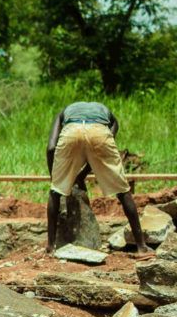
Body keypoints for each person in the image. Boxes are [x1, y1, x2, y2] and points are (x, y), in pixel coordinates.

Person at [46, 102, 150, 255]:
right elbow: (97, 151)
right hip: (99, 132)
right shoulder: (108, 116)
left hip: (71, 132)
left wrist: (55, 180)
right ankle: (141, 246)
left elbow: (50, 148)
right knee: (123, 192)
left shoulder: (63, 113)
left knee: (55, 193)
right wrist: (82, 175)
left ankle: (50, 246)